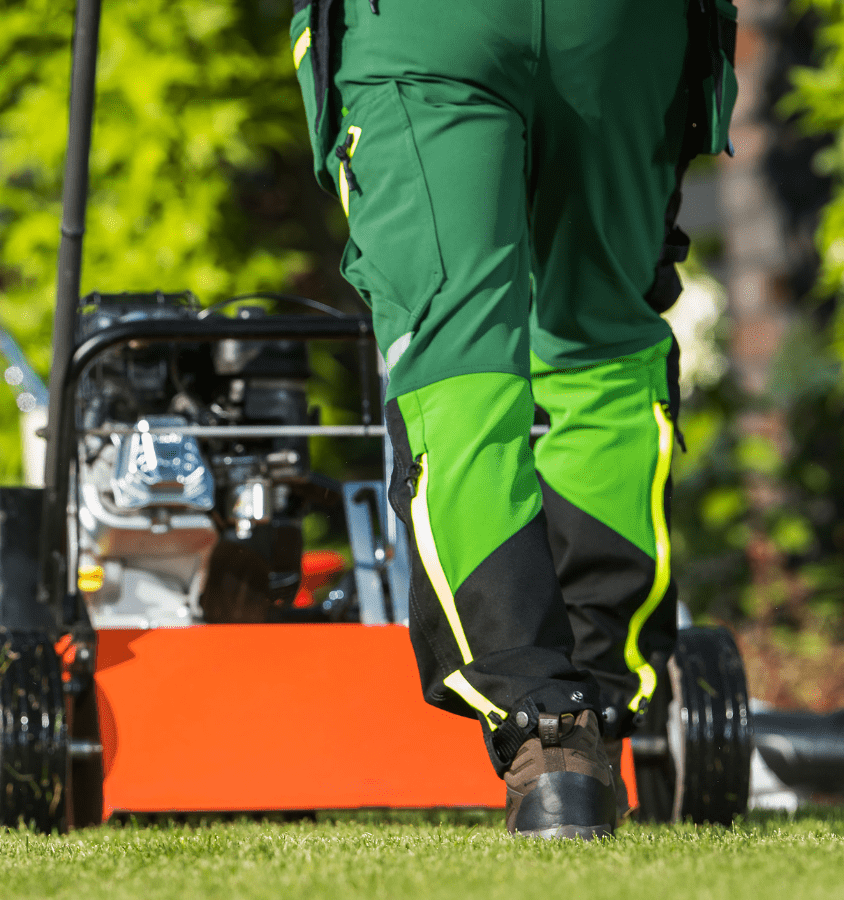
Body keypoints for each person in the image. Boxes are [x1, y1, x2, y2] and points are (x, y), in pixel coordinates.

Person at [290, 0, 736, 838]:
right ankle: (594, 706)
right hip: (622, 31)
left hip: (425, 28)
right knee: (602, 346)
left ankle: (550, 734)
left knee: (457, 360)